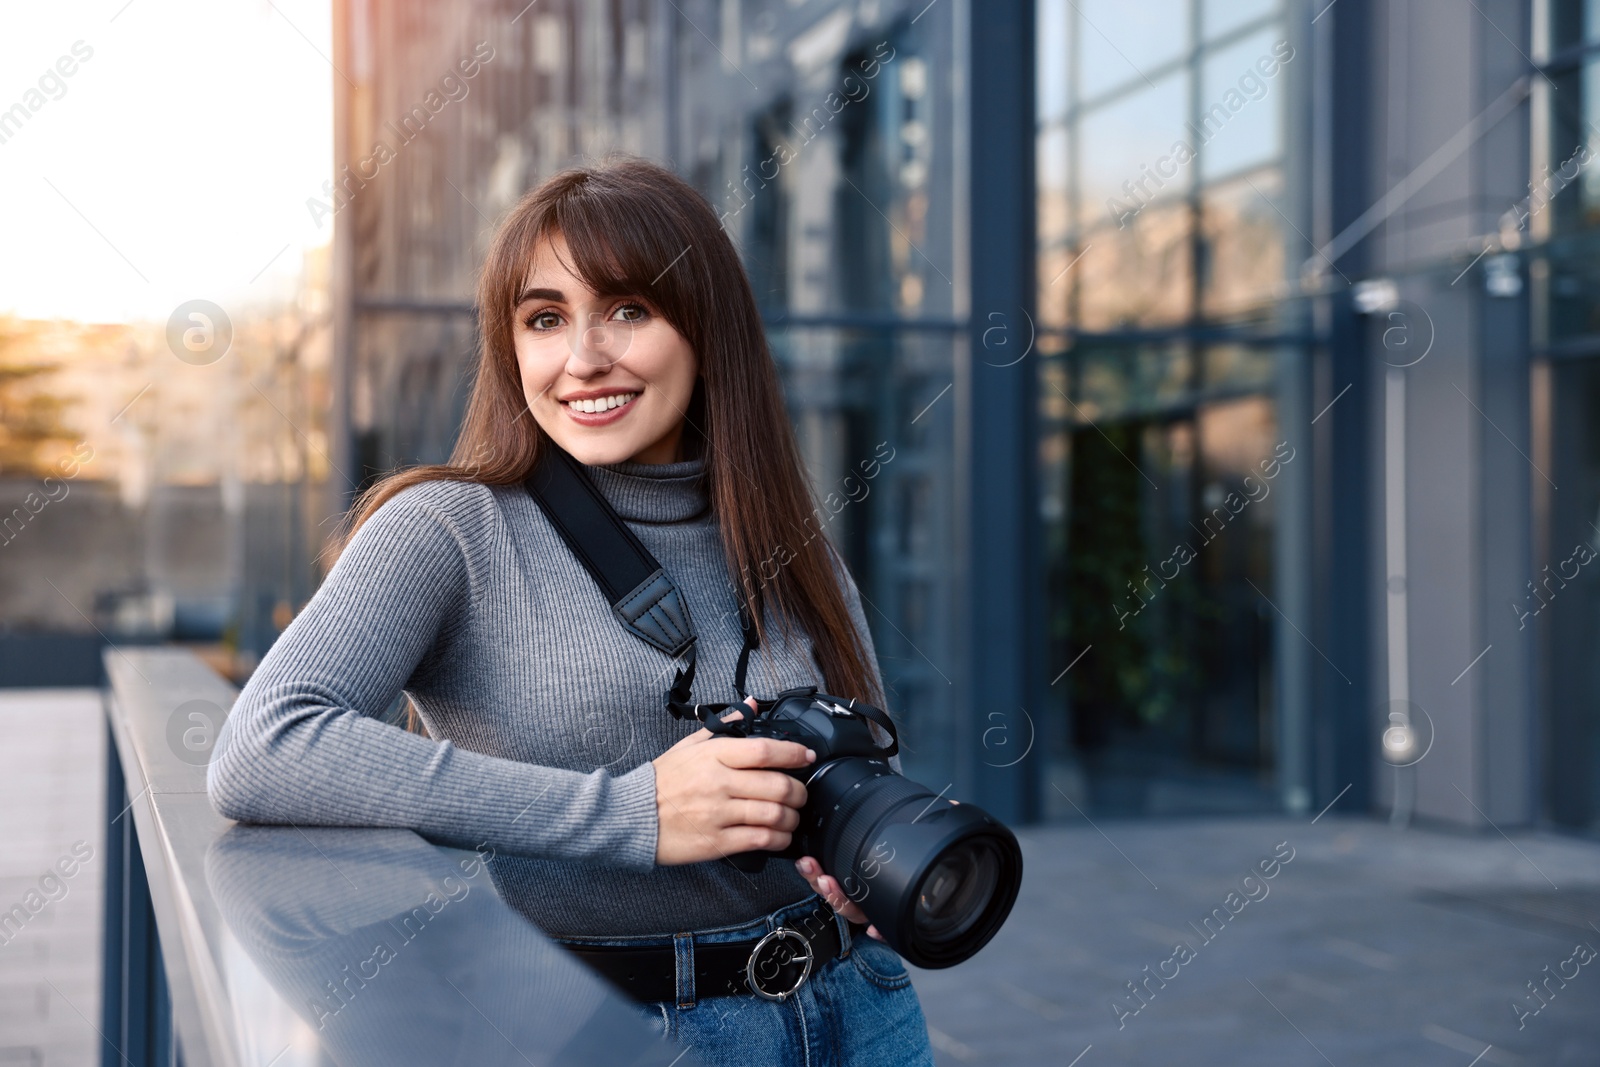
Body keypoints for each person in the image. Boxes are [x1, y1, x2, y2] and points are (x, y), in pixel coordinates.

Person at [207, 156, 936, 1066]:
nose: (584, 357)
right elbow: (265, 745)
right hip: (599, 1026)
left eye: (629, 309)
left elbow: (878, 757)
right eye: (545, 319)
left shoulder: (790, 541)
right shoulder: (448, 527)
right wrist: (631, 813)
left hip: (855, 1006)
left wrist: (863, 873)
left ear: (706, 329)